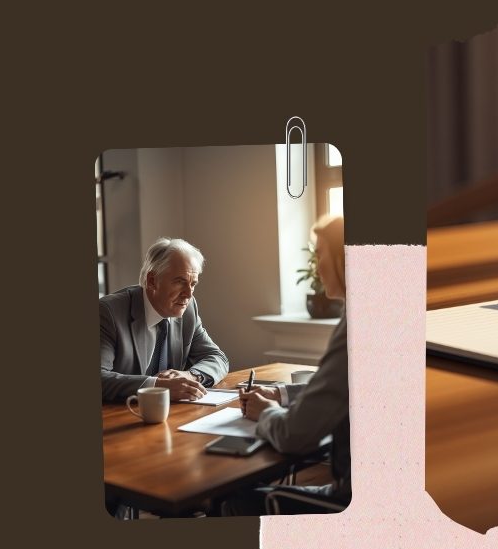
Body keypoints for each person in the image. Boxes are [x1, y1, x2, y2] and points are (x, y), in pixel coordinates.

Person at [225, 214, 350, 515]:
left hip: (349, 502)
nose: (317, 267)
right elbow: (339, 391)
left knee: (235, 500)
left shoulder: (357, 327)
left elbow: (294, 435)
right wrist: (281, 395)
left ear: (344, 260)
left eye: (320, 255)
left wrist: (266, 411)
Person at [100, 238, 229, 404]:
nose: (188, 295)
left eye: (193, 284)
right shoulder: (109, 312)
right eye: (180, 282)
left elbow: (217, 357)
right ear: (153, 281)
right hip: (119, 416)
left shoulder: (188, 309)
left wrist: (191, 375)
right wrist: (157, 386)